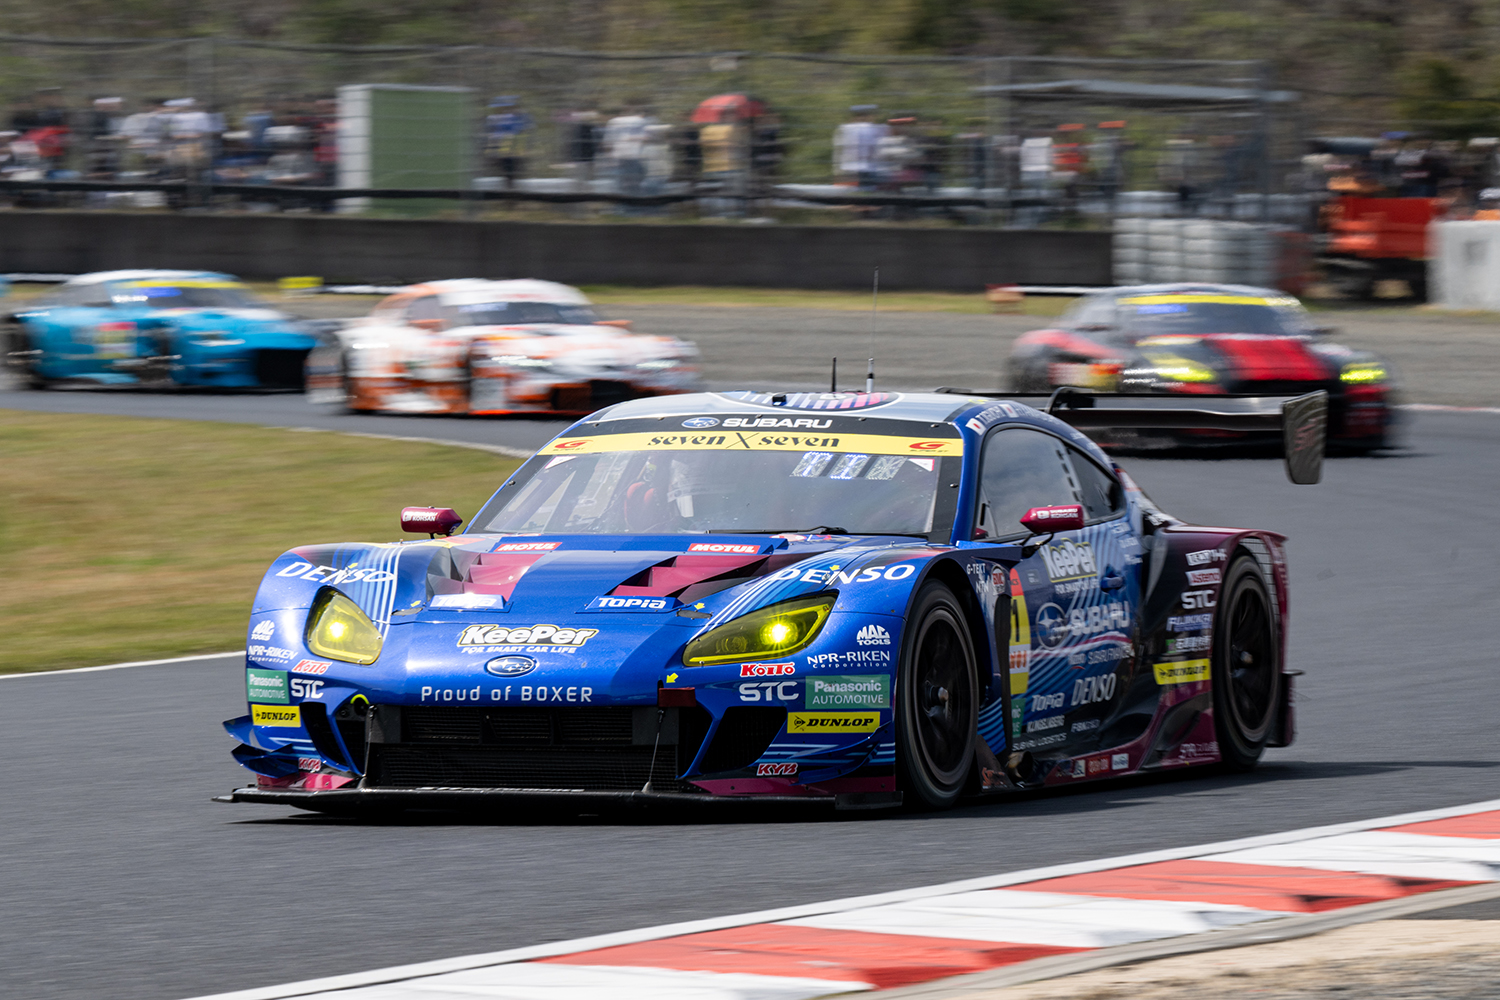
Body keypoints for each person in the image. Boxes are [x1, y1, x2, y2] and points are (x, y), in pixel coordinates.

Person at [698, 107, 745, 215]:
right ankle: (731, 217)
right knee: (732, 196)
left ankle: (714, 217)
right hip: (730, 167)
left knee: (714, 195)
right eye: (733, 115)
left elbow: (702, 146)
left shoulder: (706, 130)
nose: (735, 118)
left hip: (710, 168)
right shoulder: (734, 129)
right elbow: (737, 148)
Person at [832, 104, 886, 189]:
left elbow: (838, 151)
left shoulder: (844, 128)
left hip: (848, 169)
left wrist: (837, 170)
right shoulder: (875, 128)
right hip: (868, 169)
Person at [484, 96, 533, 188]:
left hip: (513, 151)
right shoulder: (497, 118)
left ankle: (511, 189)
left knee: (511, 172)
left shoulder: (519, 117)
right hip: (504, 151)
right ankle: (509, 189)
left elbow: (524, 128)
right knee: (507, 173)